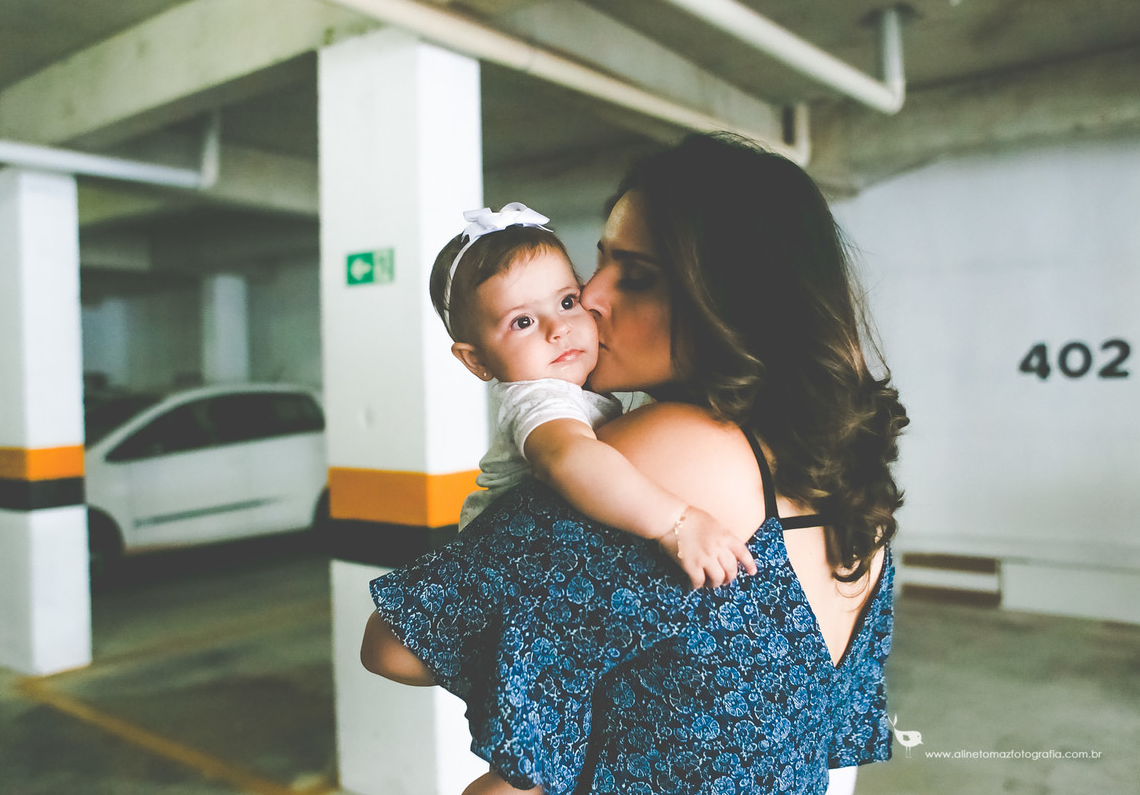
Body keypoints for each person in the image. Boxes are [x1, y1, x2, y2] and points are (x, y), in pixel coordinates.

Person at [361, 132, 908, 795]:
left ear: (732, 305)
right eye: (600, 262)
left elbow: (396, 644)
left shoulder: (666, 451)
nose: (589, 298)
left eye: (638, 279)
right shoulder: (844, 474)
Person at [423, 201, 759, 795]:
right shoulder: (540, 400)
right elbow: (574, 460)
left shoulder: (581, 393)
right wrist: (676, 518)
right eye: (522, 322)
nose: (560, 328)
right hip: (510, 581)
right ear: (477, 361)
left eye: (566, 301)